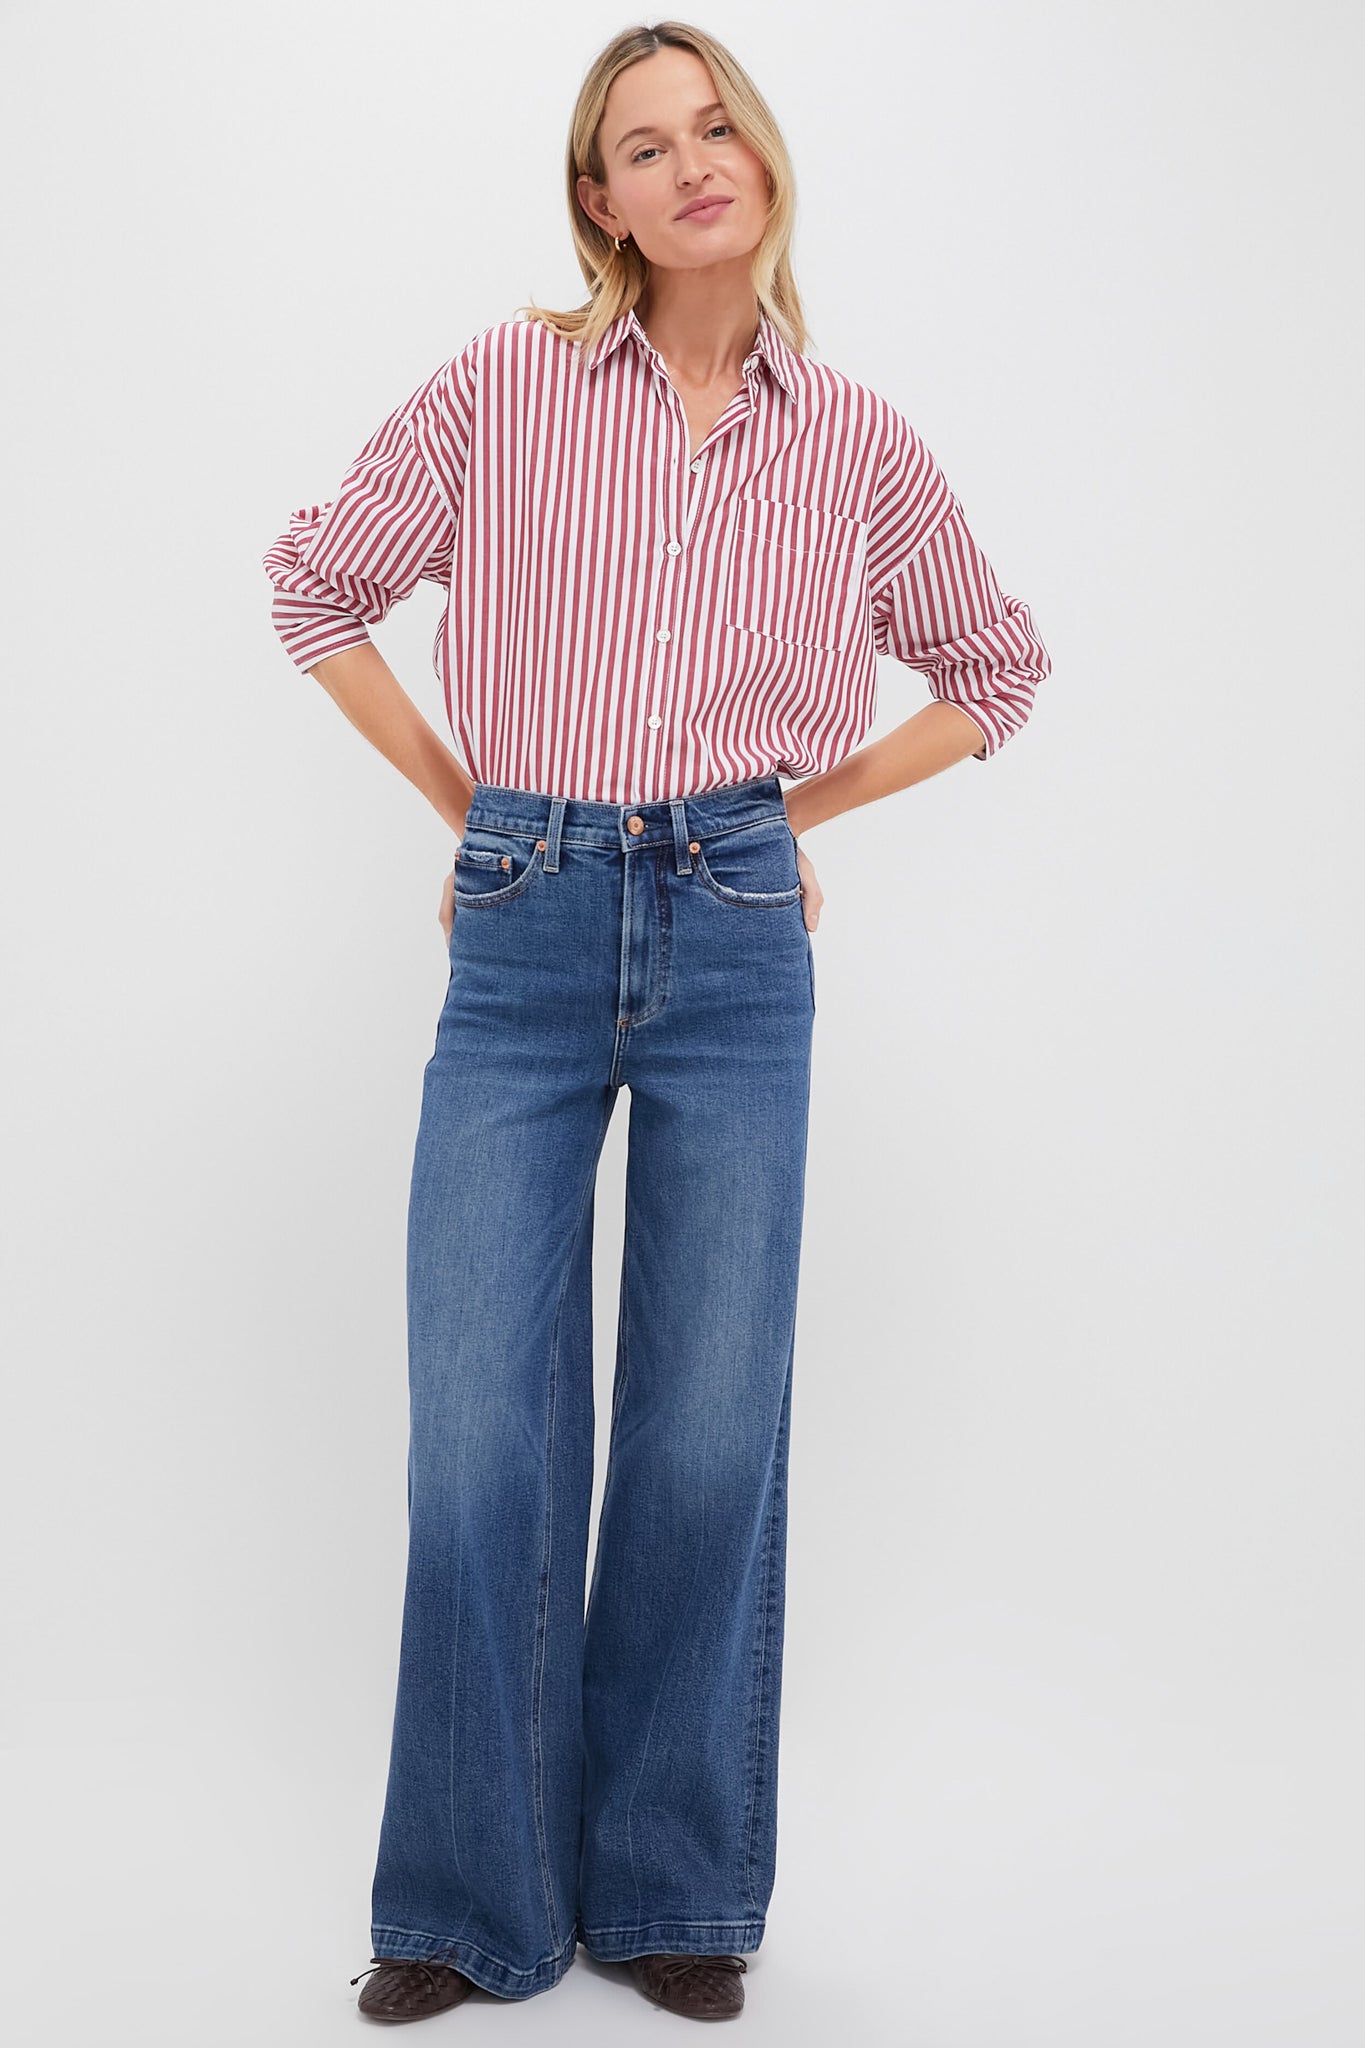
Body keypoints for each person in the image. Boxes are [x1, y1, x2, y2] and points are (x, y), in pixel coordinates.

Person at [262, 20, 1050, 2027]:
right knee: (480, 1436)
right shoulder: (503, 385)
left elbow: (993, 666)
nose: (693, 162)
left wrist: (789, 820)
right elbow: (315, 589)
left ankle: (673, 1886)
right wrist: (474, 811)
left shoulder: (851, 438)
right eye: (643, 144)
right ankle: (467, 1905)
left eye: (717, 126)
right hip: (523, 920)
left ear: (761, 159)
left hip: (734, 933)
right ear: (594, 200)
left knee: (705, 1435)